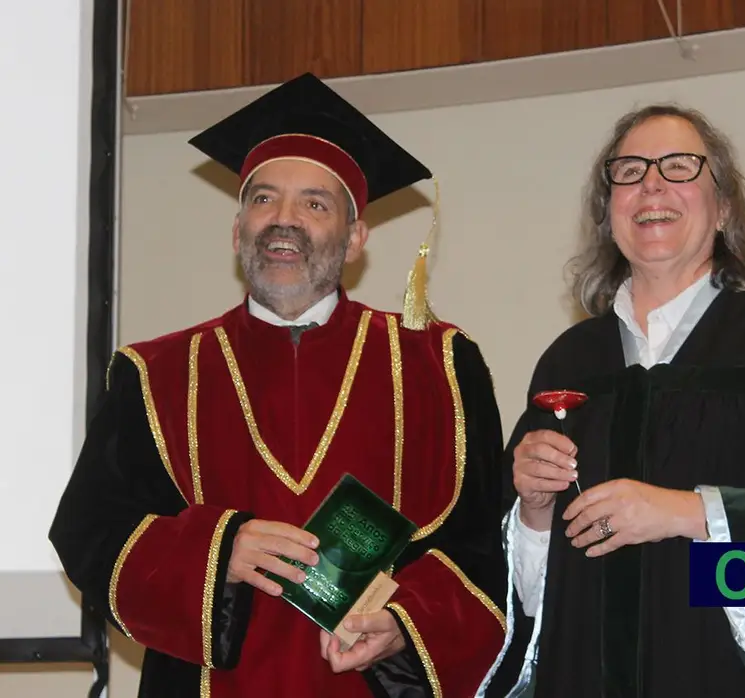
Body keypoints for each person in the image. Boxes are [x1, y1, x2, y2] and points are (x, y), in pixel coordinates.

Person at [49, 72, 508, 698]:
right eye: (263, 200)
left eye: (315, 204)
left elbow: (485, 550)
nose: (283, 221)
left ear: (355, 239)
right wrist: (217, 552)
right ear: (237, 230)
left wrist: (406, 624)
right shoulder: (157, 375)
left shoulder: (437, 365)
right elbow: (88, 533)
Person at [477, 104, 745, 698]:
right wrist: (532, 510)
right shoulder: (571, 363)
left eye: (680, 167)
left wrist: (689, 514)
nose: (651, 184)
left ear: (724, 208)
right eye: (628, 171)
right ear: (608, 213)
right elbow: (524, 599)